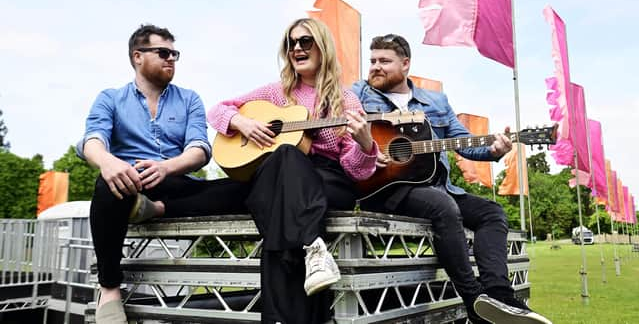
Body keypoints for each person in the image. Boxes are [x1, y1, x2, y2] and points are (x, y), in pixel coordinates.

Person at [352, 34, 552, 324]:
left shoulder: (436, 102)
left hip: (436, 185)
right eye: (372, 61)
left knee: (492, 213)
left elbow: (463, 141)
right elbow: (341, 135)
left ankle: (498, 297)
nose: (375, 67)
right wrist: (369, 150)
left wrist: (494, 150)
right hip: (385, 188)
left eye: (384, 61)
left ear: (405, 64)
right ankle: (474, 302)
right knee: (443, 206)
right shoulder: (359, 93)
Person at [207, 18, 378, 324]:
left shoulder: (346, 99)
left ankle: (279, 314)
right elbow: (217, 110)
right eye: (291, 43)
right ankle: (313, 250)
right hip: (282, 183)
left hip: (327, 181)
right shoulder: (277, 93)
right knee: (284, 163)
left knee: (280, 182)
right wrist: (242, 123)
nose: (297, 48)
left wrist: (366, 145)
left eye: (305, 41)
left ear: (322, 47)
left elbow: (356, 170)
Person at [77, 24, 248, 324]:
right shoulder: (110, 98)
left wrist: (166, 167)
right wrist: (107, 161)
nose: (172, 59)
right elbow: (92, 140)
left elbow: (199, 150)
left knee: (245, 185)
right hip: (129, 182)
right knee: (106, 182)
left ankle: (154, 210)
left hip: (175, 181)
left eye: (175, 53)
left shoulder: (189, 99)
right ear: (138, 56)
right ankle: (110, 289)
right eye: (164, 52)